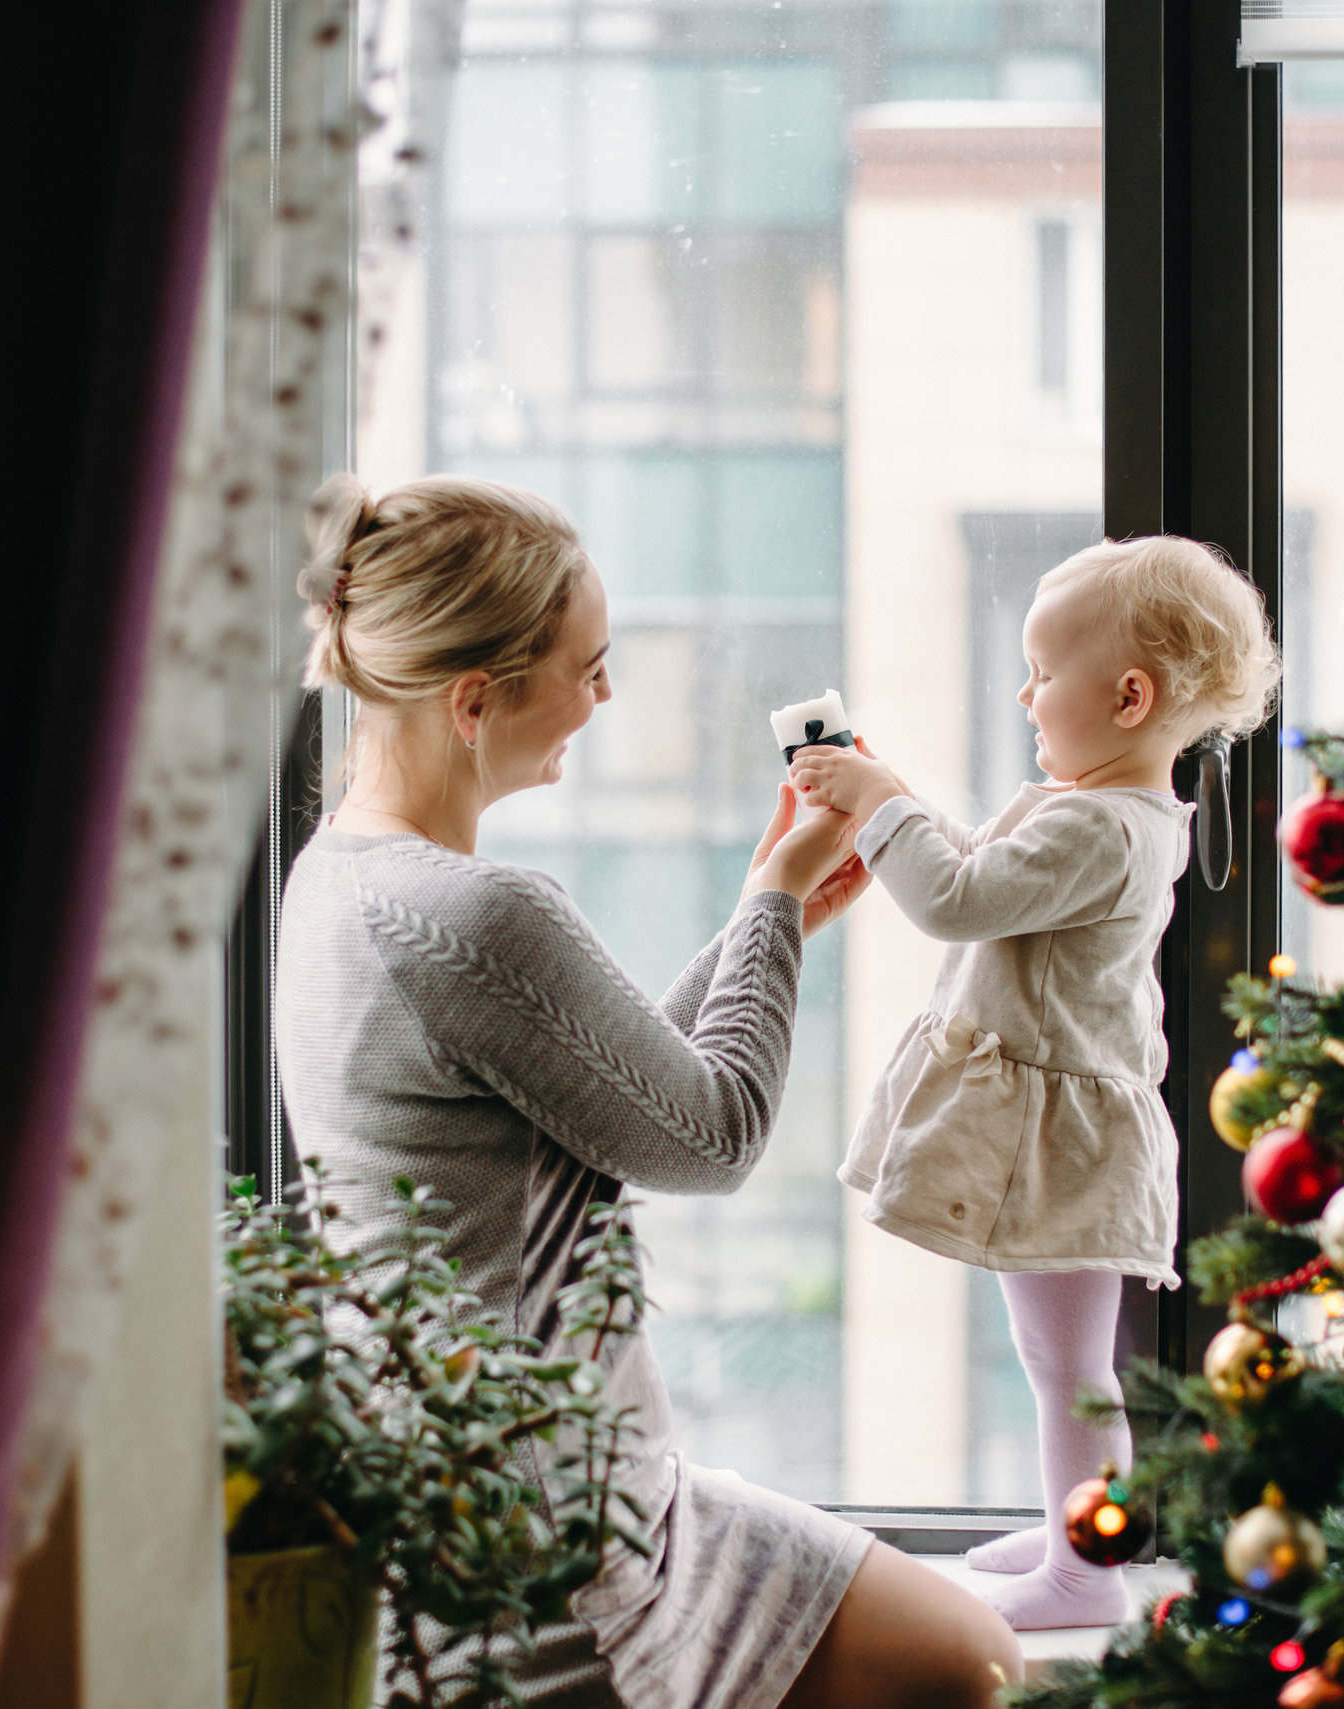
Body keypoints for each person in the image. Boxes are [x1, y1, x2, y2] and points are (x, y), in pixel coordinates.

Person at [273, 471, 1025, 1708]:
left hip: (557, 1473)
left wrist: (762, 916)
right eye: (587, 663)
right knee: (967, 1667)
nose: (605, 694)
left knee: (961, 1655)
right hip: (543, 1521)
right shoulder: (480, 910)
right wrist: (774, 905)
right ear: (474, 701)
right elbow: (710, 1134)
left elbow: (597, 1088)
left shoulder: (338, 880)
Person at [790, 536, 1279, 1631]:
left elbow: (957, 897)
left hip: (1068, 1141)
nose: (1023, 693)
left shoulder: (1101, 824)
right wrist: (891, 801)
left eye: (1041, 671)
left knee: (1070, 1367)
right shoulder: (1104, 814)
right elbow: (983, 881)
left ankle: (1085, 1572)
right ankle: (1073, 1529)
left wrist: (880, 803)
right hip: (1069, 1127)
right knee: (1058, 1356)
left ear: (1129, 695)